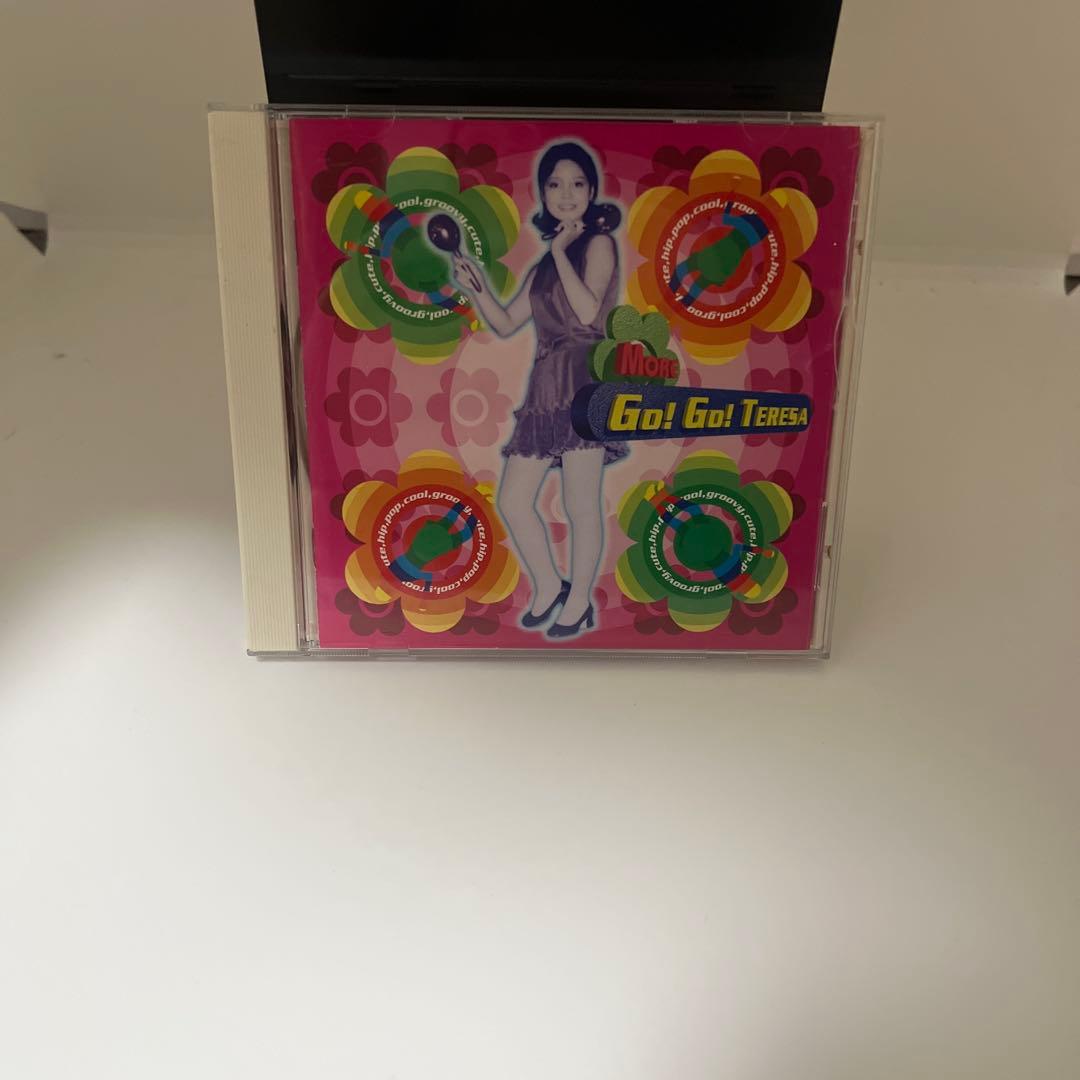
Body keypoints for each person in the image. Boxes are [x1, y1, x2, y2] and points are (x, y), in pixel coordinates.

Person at [451, 141, 626, 639]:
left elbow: (588, 312)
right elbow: (508, 322)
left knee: (580, 504)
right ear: (543, 193)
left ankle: (579, 601)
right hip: (546, 386)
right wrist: (476, 286)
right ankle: (549, 584)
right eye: (555, 184)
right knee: (513, 499)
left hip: (585, 380)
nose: (566, 194)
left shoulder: (598, 244)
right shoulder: (544, 265)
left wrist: (560, 252)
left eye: (577, 184)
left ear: (591, 191)